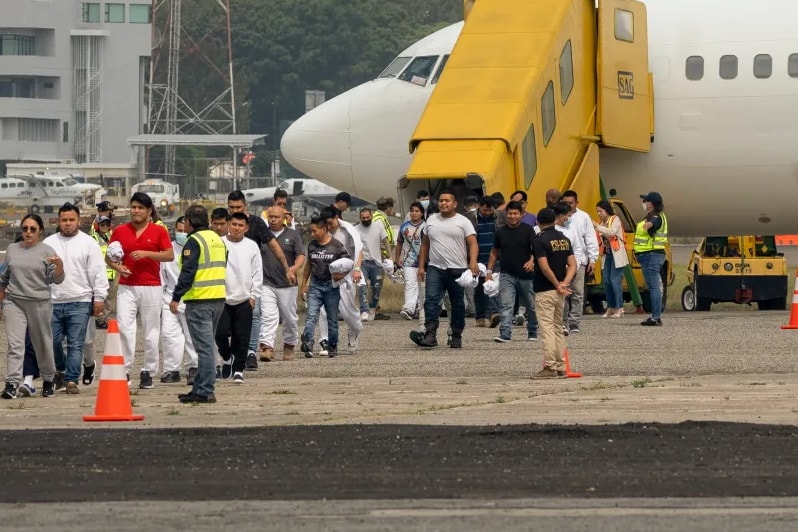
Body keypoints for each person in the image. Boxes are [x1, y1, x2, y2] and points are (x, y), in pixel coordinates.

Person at [107, 192, 174, 389]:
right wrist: (119, 268)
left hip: (151, 285)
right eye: (133, 207)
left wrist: (147, 254)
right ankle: (125, 370)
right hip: (127, 286)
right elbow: (109, 257)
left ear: (149, 211)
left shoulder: (158, 231)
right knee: (125, 328)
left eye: (140, 208)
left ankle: (148, 370)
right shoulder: (119, 231)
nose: (136, 211)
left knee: (151, 330)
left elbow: (169, 255)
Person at [44, 203, 108, 394]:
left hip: (80, 300)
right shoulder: (48, 244)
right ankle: (61, 371)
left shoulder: (89, 243)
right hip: (53, 301)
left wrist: (99, 298)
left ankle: (72, 380)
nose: (68, 224)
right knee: (53, 342)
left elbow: (98, 273)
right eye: (64, 220)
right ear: (58, 221)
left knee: (75, 343)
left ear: (79, 221)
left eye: (72, 220)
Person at [0, 214, 64, 399]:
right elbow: (4, 277)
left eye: (32, 229)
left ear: (40, 231)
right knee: (15, 344)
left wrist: (59, 266)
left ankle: (48, 379)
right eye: (25, 228)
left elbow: (57, 279)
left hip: (39, 302)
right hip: (14, 301)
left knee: (42, 342)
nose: (28, 232)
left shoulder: (47, 251)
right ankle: (12, 383)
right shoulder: (12, 249)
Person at [227, 190, 292, 371]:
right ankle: (232, 353)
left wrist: (286, 268)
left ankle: (250, 352)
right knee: (228, 320)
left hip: (252, 280)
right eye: (231, 207)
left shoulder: (255, 223)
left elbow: (273, 246)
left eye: (238, 207)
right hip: (228, 281)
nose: (234, 210)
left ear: (245, 206)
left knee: (254, 315)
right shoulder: (225, 223)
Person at [409, 189, 479, 349]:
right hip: (435, 268)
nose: (443, 203)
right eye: (441, 201)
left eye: (447, 201)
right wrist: (421, 266)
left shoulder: (463, 221)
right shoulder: (431, 220)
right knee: (431, 301)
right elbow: (425, 244)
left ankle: (456, 335)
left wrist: (473, 261)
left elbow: (473, 243)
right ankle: (430, 334)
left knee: (457, 304)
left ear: (455, 204)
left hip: (457, 269)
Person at [171, 205, 227, 404]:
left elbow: (188, 272)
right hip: (218, 298)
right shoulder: (218, 240)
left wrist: (176, 296)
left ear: (189, 222)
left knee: (203, 349)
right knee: (206, 346)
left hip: (200, 300)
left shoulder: (193, 241)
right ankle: (199, 387)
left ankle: (205, 390)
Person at [216, 212, 263, 384]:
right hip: (222, 298)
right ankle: (227, 357)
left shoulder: (251, 246)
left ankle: (238, 369)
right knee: (220, 334)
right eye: (234, 224)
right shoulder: (220, 243)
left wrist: (253, 296)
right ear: (228, 224)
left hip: (244, 299)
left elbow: (258, 272)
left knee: (242, 337)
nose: (236, 228)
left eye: (240, 225)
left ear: (246, 228)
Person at [532, 208, 576, 379]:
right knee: (558, 327)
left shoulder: (540, 240)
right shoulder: (564, 239)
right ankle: (561, 366)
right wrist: (565, 282)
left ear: (538, 222)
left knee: (547, 328)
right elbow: (572, 264)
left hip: (545, 290)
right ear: (555, 220)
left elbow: (544, 267)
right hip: (560, 292)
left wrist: (556, 284)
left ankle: (549, 366)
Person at [486, 201, 539, 342]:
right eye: (510, 213)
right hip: (506, 274)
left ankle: (533, 330)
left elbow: (536, 250)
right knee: (506, 304)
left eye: (516, 213)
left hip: (526, 275)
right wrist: (488, 272)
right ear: (505, 214)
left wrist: (531, 261)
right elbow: (494, 253)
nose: (512, 216)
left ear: (521, 214)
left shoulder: (528, 230)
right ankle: (505, 332)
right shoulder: (500, 232)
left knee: (531, 305)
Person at [259, 206, 305, 361]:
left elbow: (300, 255)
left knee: (290, 318)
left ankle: (289, 344)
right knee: (268, 316)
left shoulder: (292, 235)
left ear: (284, 218)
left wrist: (294, 268)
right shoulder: (262, 235)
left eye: (276, 217)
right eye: (270, 217)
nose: (273, 220)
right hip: (267, 283)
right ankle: (267, 347)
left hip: (288, 284)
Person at [300, 216, 349, 358]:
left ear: (324, 229)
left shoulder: (337, 246)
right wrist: (304, 284)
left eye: (314, 231)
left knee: (332, 319)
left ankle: (332, 345)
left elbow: (347, 263)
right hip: (315, 285)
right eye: (311, 231)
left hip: (331, 286)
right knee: (311, 315)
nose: (312, 234)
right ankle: (307, 342)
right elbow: (308, 264)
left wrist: (342, 275)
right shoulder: (312, 245)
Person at [318, 206, 364, 352]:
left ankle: (354, 331)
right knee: (324, 309)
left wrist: (356, 269)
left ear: (337, 218)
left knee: (347, 312)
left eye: (331, 223)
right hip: (327, 276)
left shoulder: (348, 231)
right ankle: (325, 341)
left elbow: (358, 252)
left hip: (347, 275)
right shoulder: (323, 232)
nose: (329, 227)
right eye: (326, 225)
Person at [160, 217, 198, 385]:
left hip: (190, 298)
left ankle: (194, 368)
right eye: (179, 230)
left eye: (185, 230)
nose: (182, 234)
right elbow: (162, 276)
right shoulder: (168, 250)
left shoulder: (196, 247)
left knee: (192, 336)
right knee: (169, 335)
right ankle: (171, 369)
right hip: (169, 298)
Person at [561, 190, 599, 332]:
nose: (568, 205)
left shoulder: (584, 217)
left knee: (578, 292)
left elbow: (590, 238)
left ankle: (575, 321)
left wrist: (593, 259)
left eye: (570, 203)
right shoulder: (558, 217)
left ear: (577, 203)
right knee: (562, 291)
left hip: (580, 261)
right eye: (565, 203)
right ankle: (563, 320)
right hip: (561, 261)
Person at [466, 196, 503, 328]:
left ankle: (493, 314)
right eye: (485, 210)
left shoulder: (500, 217)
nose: (488, 213)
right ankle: (480, 316)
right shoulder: (469, 218)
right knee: (479, 288)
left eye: (490, 210)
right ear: (479, 206)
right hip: (477, 257)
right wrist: (471, 260)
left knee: (492, 285)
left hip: (495, 257)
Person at [634, 191, 668, 326]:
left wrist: (649, 225)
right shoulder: (656, 215)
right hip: (650, 255)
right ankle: (656, 316)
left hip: (651, 255)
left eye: (646, 201)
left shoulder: (655, 217)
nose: (644, 203)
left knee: (653, 287)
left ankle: (656, 317)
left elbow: (654, 223)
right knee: (653, 286)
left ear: (651, 204)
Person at [594, 200, 629, 318]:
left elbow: (611, 232)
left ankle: (619, 308)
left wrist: (597, 227)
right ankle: (610, 307)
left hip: (617, 254)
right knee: (607, 282)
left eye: (601, 211)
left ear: (606, 210)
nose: (599, 213)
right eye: (597, 211)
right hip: (607, 254)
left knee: (615, 281)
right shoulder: (601, 223)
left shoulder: (615, 220)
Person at [356, 207, 391, 321]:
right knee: (362, 286)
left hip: (377, 263)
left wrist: (390, 258)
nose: (365, 219)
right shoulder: (356, 229)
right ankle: (364, 310)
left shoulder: (378, 226)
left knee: (376, 287)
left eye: (367, 217)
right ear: (360, 218)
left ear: (371, 216)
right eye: (363, 218)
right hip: (363, 262)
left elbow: (385, 242)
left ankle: (372, 308)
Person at [395, 201, 426, 321]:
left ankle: (420, 309)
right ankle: (408, 309)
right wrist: (397, 259)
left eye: (417, 211)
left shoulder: (426, 226)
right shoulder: (404, 227)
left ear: (422, 213)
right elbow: (399, 243)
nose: (414, 213)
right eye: (412, 211)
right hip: (408, 261)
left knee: (422, 287)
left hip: (425, 262)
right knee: (410, 284)